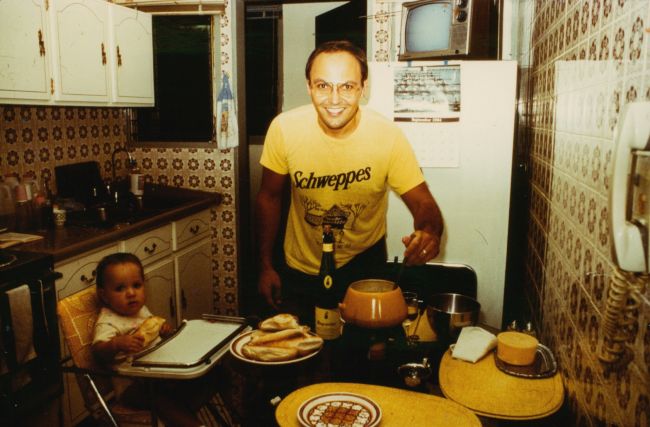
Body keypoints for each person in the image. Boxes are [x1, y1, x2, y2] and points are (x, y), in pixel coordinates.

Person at [255, 40, 444, 325]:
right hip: (300, 267)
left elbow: (424, 204)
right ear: (309, 87)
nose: (334, 99)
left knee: (364, 357)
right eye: (323, 86)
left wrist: (429, 232)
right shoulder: (284, 129)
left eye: (346, 86)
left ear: (362, 88)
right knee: (302, 352)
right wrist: (266, 266)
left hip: (364, 265)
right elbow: (269, 198)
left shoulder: (387, 136)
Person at [92, 252, 210, 427]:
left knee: (207, 372)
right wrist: (117, 343)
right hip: (132, 386)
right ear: (104, 296)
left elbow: (152, 338)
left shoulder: (140, 310)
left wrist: (164, 333)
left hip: (157, 373)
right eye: (120, 289)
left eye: (137, 285)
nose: (131, 293)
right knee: (161, 400)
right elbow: (98, 351)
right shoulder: (108, 321)